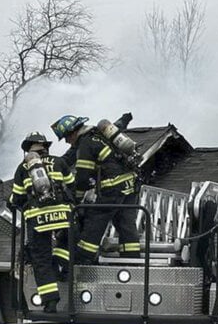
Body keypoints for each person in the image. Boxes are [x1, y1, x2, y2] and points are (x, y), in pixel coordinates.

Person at [50, 114, 140, 264]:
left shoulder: (85, 143)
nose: (67, 141)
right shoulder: (98, 135)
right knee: (126, 225)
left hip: (112, 189)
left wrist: (77, 199)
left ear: (73, 133)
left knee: (94, 222)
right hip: (130, 186)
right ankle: (132, 262)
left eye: (66, 137)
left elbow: (83, 177)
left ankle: (83, 260)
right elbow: (68, 158)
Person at [8, 131, 75, 312]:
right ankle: (61, 264)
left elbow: (17, 198)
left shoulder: (23, 168)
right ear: (45, 147)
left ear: (29, 148)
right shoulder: (60, 162)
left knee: (41, 260)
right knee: (68, 242)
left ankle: (50, 302)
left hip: (38, 220)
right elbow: (72, 185)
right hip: (63, 216)